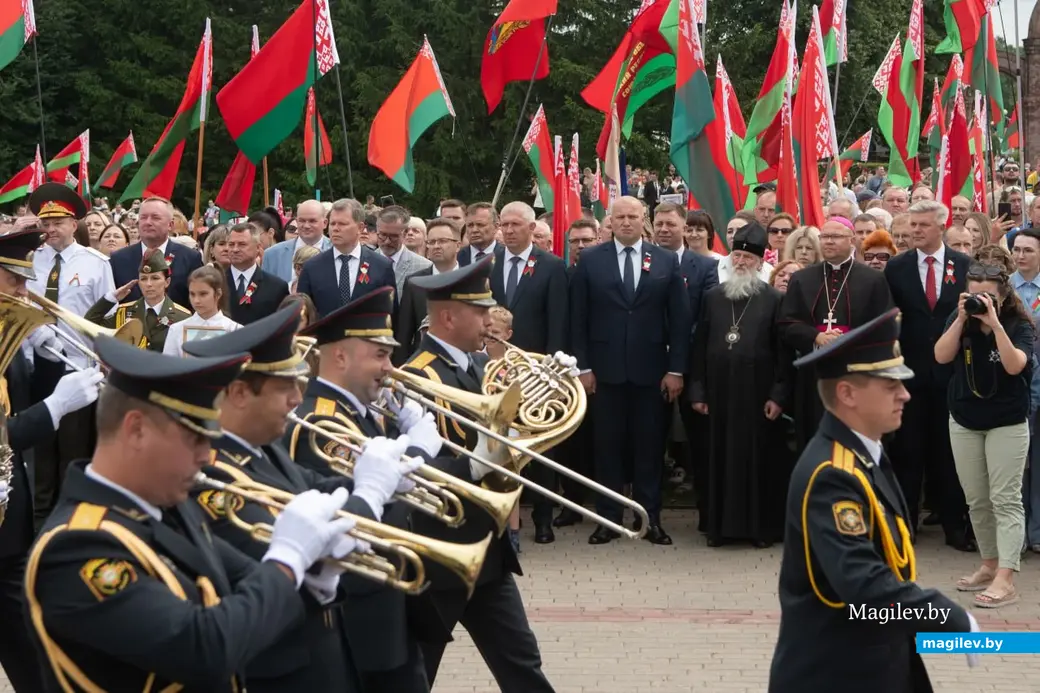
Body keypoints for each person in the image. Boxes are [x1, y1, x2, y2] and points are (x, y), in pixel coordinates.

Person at [25, 335, 363, 691]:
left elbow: (247, 579)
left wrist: (315, 576)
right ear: (136, 430)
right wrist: (288, 559)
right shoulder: (76, 547)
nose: (207, 455)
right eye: (195, 439)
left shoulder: (164, 508)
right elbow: (206, 648)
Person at [183, 302, 422, 690]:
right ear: (240, 393)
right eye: (285, 387)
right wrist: (370, 492)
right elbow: (282, 553)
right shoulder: (214, 472)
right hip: (280, 669)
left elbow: (317, 488)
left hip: (323, 653)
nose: (298, 399)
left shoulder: (264, 447)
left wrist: (384, 477)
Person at [768, 308, 979, 693]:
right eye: (889, 385)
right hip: (834, 673)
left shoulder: (867, 454)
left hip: (872, 663)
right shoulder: (832, 473)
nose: (905, 394)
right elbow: (863, 585)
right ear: (847, 393)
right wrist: (948, 616)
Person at [284, 287, 456, 693]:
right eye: (379, 354)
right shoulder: (323, 423)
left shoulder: (361, 411)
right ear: (340, 356)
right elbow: (356, 508)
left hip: (384, 608)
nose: (390, 367)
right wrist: (418, 451)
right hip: (357, 617)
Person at [401, 259, 554, 692]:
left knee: (522, 662)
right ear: (449, 316)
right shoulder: (419, 377)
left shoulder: (474, 367)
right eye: (481, 312)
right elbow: (420, 468)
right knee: (417, 671)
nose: (490, 321)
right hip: (440, 546)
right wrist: (476, 460)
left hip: (485, 547)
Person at [0, 229, 102, 692]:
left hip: (8, 515)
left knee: (27, 635)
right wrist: (56, 407)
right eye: (16, 283)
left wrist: (44, 358)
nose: (27, 293)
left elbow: (19, 400)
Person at [570, 196, 692, 545]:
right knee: (607, 448)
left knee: (650, 448)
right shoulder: (591, 259)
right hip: (604, 374)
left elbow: (680, 322)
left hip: (651, 373)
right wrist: (584, 367)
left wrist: (676, 370)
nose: (626, 223)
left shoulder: (666, 260)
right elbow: (579, 318)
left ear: (644, 220)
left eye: (633, 217)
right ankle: (608, 519)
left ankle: (649, 518)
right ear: (610, 221)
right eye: (620, 217)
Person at [934, 264, 1033, 608]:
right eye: (973, 294)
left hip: (1007, 422)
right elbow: (941, 356)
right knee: (977, 499)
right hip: (964, 418)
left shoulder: (1018, 324)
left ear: (1003, 295)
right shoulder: (959, 319)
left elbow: (1014, 365)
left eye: (988, 295)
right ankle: (989, 564)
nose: (980, 301)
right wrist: (962, 318)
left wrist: (993, 325)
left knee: (1005, 499)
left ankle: (1006, 576)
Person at [689, 223, 792, 547]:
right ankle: (718, 529)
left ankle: (759, 531)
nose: (741, 262)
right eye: (737, 255)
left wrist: (778, 395)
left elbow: (783, 353)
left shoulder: (774, 299)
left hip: (757, 395)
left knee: (758, 462)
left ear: (761, 263)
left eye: (748, 257)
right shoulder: (712, 297)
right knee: (717, 461)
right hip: (718, 396)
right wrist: (698, 391)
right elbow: (700, 347)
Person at [884, 200, 975, 550]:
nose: (914, 231)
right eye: (912, 225)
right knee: (908, 451)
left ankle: (954, 526)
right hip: (909, 373)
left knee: (949, 454)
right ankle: (905, 525)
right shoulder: (897, 267)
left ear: (941, 226)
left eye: (922, 225)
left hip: (952, 375)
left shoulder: (964, 265)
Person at [26, 183, 115, 525]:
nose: (50, 230)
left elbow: (106, 316)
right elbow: (21, 303)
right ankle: (39, 517)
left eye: (57, 223)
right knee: (41, 446)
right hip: (40, 365)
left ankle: (70, 515)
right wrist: (36, 334)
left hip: (77, 364)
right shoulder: (30, 260)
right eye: (45, 224)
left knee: (73, 448)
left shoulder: (95, 262)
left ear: (73, 222)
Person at [489, 201, 568, 543]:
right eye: (503, 225)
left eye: (514, 225)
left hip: (537, 370)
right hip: (496, 369)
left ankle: (543, 518)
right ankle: (506, 520)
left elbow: (558, 319)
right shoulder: (488, 264)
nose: (508, 230)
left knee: (541, 446)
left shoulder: (551, 266)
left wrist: (553, 370)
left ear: (532, 228)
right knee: (501, 443)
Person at [779, 217, 893, 452]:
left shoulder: (873, 279)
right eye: (824, 237)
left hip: (858, 375)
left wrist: (851, 342)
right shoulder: (802, 278)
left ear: (852, 240)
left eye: (835, 237)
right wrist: (815, 337)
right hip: (814, 377)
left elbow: (886, 326)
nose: (828, 242)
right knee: (815, 438)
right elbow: (786, 323)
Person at [297, 198, 396, 317]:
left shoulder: (381, 266)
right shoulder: (312, 267)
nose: (335, 229)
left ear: (360, 228)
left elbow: (392, 315)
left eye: (342, 224)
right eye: (332, 223)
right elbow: (302, 316)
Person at [85, 249, 191, 352]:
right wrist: (111, 298)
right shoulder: (123, 313)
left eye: (155, 278)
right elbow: (89, 323)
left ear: (167, 282)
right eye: (143, 279)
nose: (148, 284)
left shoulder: (182, 316)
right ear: (138, 282)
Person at [109, 197, 204, 308]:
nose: (148, 222)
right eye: (143, 217)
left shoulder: (190, 258)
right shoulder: (118, 259)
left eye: (155, 217)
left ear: (170, 225)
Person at [394, 218, 462, 364]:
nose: (436, 246)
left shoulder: (472, 280)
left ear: (458, 245)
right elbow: (404, 334)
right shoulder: (415, 283)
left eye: (443, 241)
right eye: (431, 242)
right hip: (423, 364)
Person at [163, 265, 241, 357]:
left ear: (218, 293)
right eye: (192, 294)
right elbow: (169, 367)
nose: (196, 300)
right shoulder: (176, 330)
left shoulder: (235, 330)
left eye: (203, 294)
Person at [224, 222, 289, 325]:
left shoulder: (276, 287)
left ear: (258, 248)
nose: (235, 249)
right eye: (231, 244)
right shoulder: (215, 282)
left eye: (242, 244)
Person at [262, 200, 332, 284]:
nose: (306, 226)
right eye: (302, 220)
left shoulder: (337, 251)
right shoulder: (272, 254)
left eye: (312, 221)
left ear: (325, 223)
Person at [378, 205, 432, 295]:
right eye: (383, 235)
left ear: (404, 234)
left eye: (393, 236)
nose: (387, 241)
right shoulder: (363, 261)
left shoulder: (425, 266)